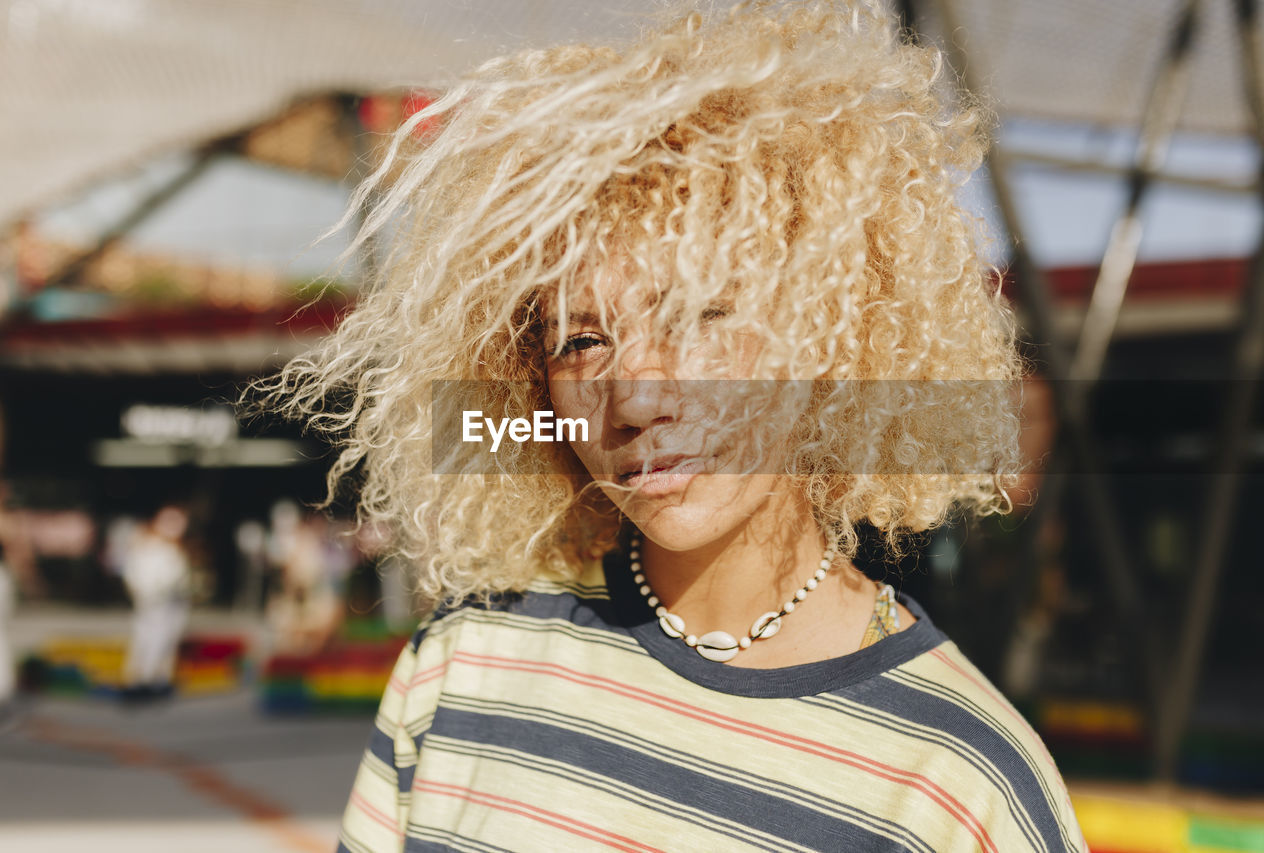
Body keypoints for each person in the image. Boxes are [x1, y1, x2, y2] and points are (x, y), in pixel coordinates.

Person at [263, 2, 1086, 850]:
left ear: (832, 339)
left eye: (699, 315)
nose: (635, 397)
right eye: (581, 339)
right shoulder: (463, 665)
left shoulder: (956, 781)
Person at [121, 504, 190, 701]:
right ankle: (141, 680)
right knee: (148, 639)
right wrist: (145, 592)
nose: (177, 527)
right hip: (151, 601)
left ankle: (156, 680)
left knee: (165, 640)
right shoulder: (146, 545)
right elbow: (134, 573)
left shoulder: (174, 547)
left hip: (170, 603)